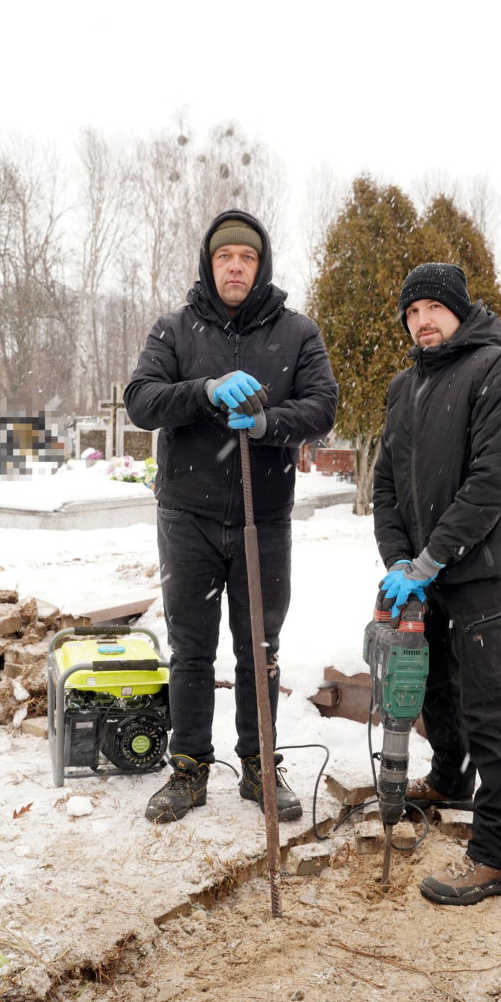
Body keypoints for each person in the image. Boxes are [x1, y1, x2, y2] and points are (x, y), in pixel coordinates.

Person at [124, 209, 338, 824]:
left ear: (261, 264)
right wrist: (206, 390)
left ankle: (260, 766)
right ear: (209, 264)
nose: (235, 267)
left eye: (246, 257)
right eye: (225, 257)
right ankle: (189, 768)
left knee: (260, 646)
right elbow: (142, 401)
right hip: (187, 515)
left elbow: (321, 406)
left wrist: (272, 424)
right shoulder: (174, 330)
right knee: (192, 647)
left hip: (263, 516)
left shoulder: (297, 333)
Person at [373, 262, 501, 906]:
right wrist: (399, 561)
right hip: (420, 576)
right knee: (431, 686)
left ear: (459, 311)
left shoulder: (500, 372)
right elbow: (384, 483)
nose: (422, 322)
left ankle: (497, 855)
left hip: (481, 574)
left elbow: (495, 480)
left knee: (490, 710)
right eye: (412, 314)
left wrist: (436, 555)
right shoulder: (403, 386)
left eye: (433, 308)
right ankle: (447, 778)